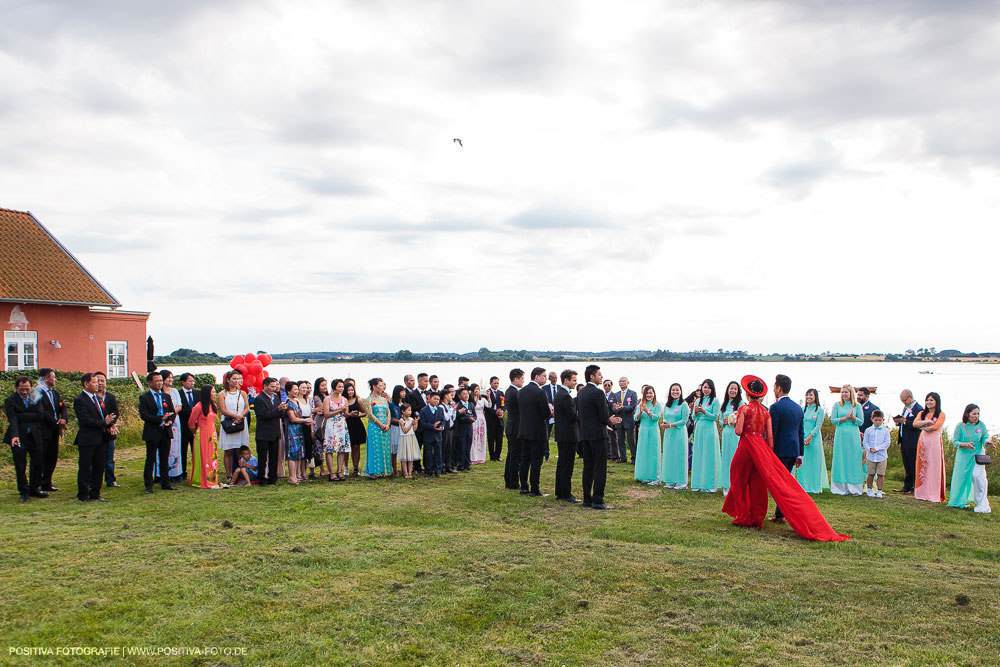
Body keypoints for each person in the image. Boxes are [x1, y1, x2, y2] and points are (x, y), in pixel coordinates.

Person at [722, 375, 849, 541]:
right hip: (781, 449)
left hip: (753, 448)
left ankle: (745, 515)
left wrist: (734, 421)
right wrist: (794, 453)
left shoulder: (753, 409)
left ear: (747, 393)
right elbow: (779, 436)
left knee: (741, 479)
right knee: (772, 484)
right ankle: (766, 515)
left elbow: (742, 432)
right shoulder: (788, 409)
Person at [577, 365, 621, 509]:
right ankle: (597, 499)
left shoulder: (581, 393)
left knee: (588, 466)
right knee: (600, 467)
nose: (601, 377)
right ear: (592, 376)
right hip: (597, 434)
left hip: (585, 434)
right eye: (599, 375)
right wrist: (611, 421)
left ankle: (586, 499)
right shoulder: (598, 393)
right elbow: (603, 416)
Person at [768, 374, 804, 523]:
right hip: (794, 449)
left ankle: (783, 514)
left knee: (779, 485)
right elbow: (800, 432)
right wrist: (800, 454)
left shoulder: (775, 407)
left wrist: (769, 450)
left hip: (780, 451)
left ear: (779, 389)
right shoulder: (797, 408)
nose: (773, 389)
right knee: (785, 483)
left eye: (774, 387)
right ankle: (780, 514)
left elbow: (773, 432)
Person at [4, 376, 46, 502]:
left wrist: (21, 416)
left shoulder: (36, 397)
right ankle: (23, 491)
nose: (24, 392)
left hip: (35, 436)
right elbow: (13, 419)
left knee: (38, 462)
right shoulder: (10, 400)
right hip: (19, 436)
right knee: (20, 465)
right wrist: (15, 435)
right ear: (16, 387)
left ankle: (34, 488)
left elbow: (40, 415)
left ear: (31, 387)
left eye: (27, 389)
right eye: (21, 389)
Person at [947, 404, 992, 514]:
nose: (976, 416)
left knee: (978, 477)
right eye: (974, 414)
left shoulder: (981, 425)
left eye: (978, 414)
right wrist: (964, 444)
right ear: (967, 414)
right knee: (961, 478)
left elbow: (985, 437)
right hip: (963, 455)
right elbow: (955, 441)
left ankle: (982, 504)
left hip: (978, 455)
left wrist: (987, 442)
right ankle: (958, 501)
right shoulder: (960, 426)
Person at [138, 371, 176, 494]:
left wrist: (169, 421)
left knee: (165, 458)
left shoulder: (166, 396)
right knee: (151, 458)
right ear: (150, 383)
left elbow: (172, 412)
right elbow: (144, 415)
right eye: (157, 381)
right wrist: (160, 419)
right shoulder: (145, 397)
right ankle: (149, 485)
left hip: (165, 431)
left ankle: (166, 483)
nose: (159, 383)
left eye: (160, 380)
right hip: (152, 431)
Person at [518, 367, 550, 496]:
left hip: (524, 429)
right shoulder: (540, 392)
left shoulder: (521, 391)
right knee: (536, 460)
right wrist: (549, 409)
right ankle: (535, 489)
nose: (545, 379)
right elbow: (546, 413)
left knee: (525, 459)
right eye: (544, 376)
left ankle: (524, 487)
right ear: (536, 377)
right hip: (537, 431)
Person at [35, 368, 67, 493]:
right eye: (53, 377)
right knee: (41, 458)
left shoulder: (55, 393)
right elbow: (41, 413)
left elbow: (62, 407)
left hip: (54, 431)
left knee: (52, 458)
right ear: (47, 378)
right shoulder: (37, 393)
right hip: (43, 431)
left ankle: (47, 483)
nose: (55, 380)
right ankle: (36, 485)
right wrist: (56, 423)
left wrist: (63, 419)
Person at [830, 385, 865, 496]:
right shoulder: (837, 405)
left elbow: (861, 422)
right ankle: (839, 487)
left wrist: (853, 418)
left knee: (853, 459)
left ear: (851, 393)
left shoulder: (857, 406)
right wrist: (845, 418)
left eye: (846, 392)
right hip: (841, 434)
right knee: (840, 458)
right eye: (842, 392)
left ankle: (854, 487)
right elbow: (833, 420)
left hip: (853, 434)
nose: (844, 394)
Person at [553, 369, 581, 502]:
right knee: (567, 465)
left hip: (562, 434)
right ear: (566, 380)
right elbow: (572, 416)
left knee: (562, 464)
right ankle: (565, 493)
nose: (576, 383)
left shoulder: (560, 393)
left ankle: (560, 491)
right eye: (574, 380)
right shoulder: (565, 396)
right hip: (568, 435)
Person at [795, 388, 829, 494]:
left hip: (814, 440)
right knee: (803, 463)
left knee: (814, 463)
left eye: (811, 395)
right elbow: (799, 424)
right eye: (807, 395)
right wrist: (802, 438)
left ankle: (814, 486)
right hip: (802, 438)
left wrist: (809, 437)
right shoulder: (802, 409)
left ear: (815, 397)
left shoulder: (819, 410)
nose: (808, 397)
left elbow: (817, 426)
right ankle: (803, 485)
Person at [913, 392, 946, 503]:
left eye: (931, 400)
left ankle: (933, 493)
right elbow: (915, 424)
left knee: (934, 467)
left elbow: (935, 427)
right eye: (927, 400)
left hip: (935, 442)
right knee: (922, 466)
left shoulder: (941, 414)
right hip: (923, 441)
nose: (929, 402)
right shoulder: (922, 413)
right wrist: (927, 422)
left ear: (937, 401)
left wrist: (924, 426)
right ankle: (921, 492)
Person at [187, 384, 221, 489]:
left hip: (212, 434)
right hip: (202, 434)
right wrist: (196, 432)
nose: (214, 394)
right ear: (207, 393)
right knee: (203, 457)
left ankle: (213, 479)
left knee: (212, 457)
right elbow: (191, 423)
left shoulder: (213, 406)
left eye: (215, 392)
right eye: (213, 392)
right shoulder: (198, 407)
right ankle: (202, 480)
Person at [217, 370, 249, 479]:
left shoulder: (242, 393)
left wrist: (240, 416)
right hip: (229, 422)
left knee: (240, 449)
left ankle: (241, 472)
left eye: (238, 379)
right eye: (234, 379)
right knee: (229, 450)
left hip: (240, 422)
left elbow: (246, 408)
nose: (236, 381)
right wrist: (235, 416)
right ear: (228, 380)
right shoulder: (222, 394)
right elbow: (223, 409)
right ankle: (229, 474)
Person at [691, 379, 721, 493]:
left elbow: (714, 417)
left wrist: (703, 411)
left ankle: (710, 484)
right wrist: (695, 412)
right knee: (699, 454)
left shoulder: (715, 401)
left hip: (709, 429)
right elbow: (693, 418)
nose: (706, 389)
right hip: (699, 428)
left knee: (709, 455)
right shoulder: (699, 400)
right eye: (704, 387)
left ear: (712, 389)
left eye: (708, 387)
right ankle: (698, 483)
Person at [154, 369, 184, 483]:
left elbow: (179, 405)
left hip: (175, 420)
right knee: (161, 448)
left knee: (175, 447)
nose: (171, 379)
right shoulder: (159, 393)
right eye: (168, 378)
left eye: (172, 377)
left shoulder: (175, 391)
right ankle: (159, 473)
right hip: (162, 420)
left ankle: (175, 473)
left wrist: (172, 414)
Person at [253, 377, 284, 486]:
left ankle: (273, 478)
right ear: (265, 386)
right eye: (271, 386)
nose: (274, 388)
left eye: (275, 386)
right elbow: (263, 415)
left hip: (275, 431)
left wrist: (282, 410)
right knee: (263, 457)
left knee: (274, 456)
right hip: (263, 432)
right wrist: (277, 410)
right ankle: (262, 478)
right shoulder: (259, 399)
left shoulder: (276, 397)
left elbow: (279, 414)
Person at [658, 383, 690, 489]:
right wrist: (665, 423)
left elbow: (684, 421)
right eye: (673, 390)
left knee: (679, 456)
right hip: (669, 433)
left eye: (677, 390)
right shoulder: (667, 405)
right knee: (669, 456)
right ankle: (670, 480)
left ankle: (681, 482)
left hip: (679, 433)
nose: (675, 392)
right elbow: (665, 417)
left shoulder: (684, 404)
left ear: (681, 392)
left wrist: (671, 425)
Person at [892, 390, 923, 494]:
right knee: (907, 464)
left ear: (910, 397)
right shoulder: (906, 407)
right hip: (904, 440)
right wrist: (899, 422)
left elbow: (917, 425)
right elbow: (904, 420)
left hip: (913, 440)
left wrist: (905, 421)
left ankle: (914, 487)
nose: (903, 402)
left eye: (904, 400)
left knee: (913, 464)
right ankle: (907, 486)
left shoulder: (919, 409)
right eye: (902, 401)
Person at [94, 372, 121, 489]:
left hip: (110, 431)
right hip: (96, 431)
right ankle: (92, 481)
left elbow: (115, 412)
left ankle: (110, 480)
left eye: (102, 381)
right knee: (94, 459)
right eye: (97, 380)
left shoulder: (110, 397)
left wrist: (112, 425)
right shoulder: (91, 397)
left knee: (109, 458)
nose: (100, 383)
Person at [322, 379, 351, 481]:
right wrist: (339, 410)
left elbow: (346, 414)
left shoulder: (344, 399)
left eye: (342, 387)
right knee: (330, 449)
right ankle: (332, 473)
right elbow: (326, 414)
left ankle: (339, 471)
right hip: (331, 425)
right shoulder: (327, 399)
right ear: (334, 387)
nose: (341, 389)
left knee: (342, 449)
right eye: (339, 387)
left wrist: (350, 414)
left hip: (342, 425)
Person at [633, 385, 663, 484]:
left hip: (653, 431)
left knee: (653, 453)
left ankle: (655, 477)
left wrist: (647, 411)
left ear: (654, 394)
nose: (649, 395)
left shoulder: (657, 405)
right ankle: (644, 475)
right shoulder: (640, 405)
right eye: (647, 393)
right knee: (644, 453)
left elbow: (656, 418)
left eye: (651, 393)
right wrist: (641, 412)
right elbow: (635, 418)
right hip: (643, 431)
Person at [363, 378, 392, 478]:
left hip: (385, 427)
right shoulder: (369, 400)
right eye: (380, 385)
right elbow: (370, 415)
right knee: (374, 447)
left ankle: (385, 470)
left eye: (383, 385)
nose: (382, 387)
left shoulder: (384, 399)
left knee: (384, 447)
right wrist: (380, 424)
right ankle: (373, 471)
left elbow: (388, 413)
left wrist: (387, 424)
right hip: (375, 427)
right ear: (374, 386)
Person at [719, 381, 744, 495]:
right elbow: (720, 421)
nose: (733, 391)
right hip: (726, 433)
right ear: (727, 390)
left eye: (735, 389)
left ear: (738, 391)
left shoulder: (740, 403)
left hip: (735, 434)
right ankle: (726, 485)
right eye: (731, 388)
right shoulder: (724, 404)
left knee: (735, 459)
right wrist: (724, 421)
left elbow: (740, 418)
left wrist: (730, 421)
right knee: (726, 458)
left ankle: (735, 485)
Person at [503, 369, 524, 490]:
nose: (523, 382)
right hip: (515, 426)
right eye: (522, 379)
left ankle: (509, 480)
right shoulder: (514, 392)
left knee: (511, 455)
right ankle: (513, 482)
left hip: (512, 426)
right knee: (515, 456)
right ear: (515, 379)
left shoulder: (510, 391)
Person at [283, 381, 308, 485]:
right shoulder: (288, 403)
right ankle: (292, 476)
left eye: (298, 389)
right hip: (291, 429)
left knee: (299, 452)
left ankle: (297, 474)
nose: (297, 391)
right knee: (292, 453)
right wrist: (305, 420)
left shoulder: (296, 402)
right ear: (288, 391)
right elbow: (292, 418)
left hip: (299, 429)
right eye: (295, 389)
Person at [862, 410, 891, 498]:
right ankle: (869, 489)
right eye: (876, 420)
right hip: (871, 456)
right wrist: (870, 449)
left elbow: (887, 443)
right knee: (870, 473)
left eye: (879, 420)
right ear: (872, 419)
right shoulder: (868, 430)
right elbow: (865, 442)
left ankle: (879, 490)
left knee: (880, 474)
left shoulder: (885, 431)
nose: (878, 422)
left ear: (883, 420)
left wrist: (877, 448)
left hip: (881, 456)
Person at [406, 373, 429, 473]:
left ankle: (427, 465)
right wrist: (424, 407)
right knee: (417, 445)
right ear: (419, 381)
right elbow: (413, 409)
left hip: (427, 423)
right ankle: (416, 466)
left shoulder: (428, 393)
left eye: (427, 381)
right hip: (418, 424)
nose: (426, 383)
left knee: (427, 446)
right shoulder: (413, 395)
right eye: (425, 381)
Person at [612, 377, 638, 464]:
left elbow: (633, 406)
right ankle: (623, 457)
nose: (621, 383)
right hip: (619, 420)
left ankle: (634, 458)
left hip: (629, 419)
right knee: (620, 440)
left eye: (623, 381)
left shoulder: (633, 393)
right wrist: (616, 408)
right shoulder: (616, 394)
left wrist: (623, 407)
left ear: (628, 382)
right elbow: (613, 408)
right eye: (620, 381)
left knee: (631, 440)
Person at [177, 372, 198, 481]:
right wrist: (192, 412)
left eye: (193, 381)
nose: (192, 383)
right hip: (183, 427)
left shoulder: (197, 393)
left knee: (196, 451)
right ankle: (182, 472)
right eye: (189, 381)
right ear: (183, 382)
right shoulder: (178, 393)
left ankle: (197, 471)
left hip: (196, 427)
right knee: (183, 451)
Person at [419, 391, 445, 477]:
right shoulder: (423, 410)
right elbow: (422, 423)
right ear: (429, 399)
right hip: (428, 435)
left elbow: (443, 420)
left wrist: (441, 427)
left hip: (438, 435)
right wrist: (432, 426)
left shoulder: (440, 409)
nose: (436, 401)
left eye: (438, 399)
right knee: (428, 453)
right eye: (434, 399)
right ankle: (428, 470)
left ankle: (437, 469)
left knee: (438, 452)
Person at [344, 383, 366, 477]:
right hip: (346, 424)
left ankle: (356, 468)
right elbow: (344, 414)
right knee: (345, 448)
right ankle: (345, 467)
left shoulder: (358, 400)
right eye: (348, 390)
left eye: (352, 390)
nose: (350, 392)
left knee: (356, 447)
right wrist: (349, 415)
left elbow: (365, 413)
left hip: (356, 424)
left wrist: (357, 415)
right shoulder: (343, 400)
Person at [453, 386, 476, 472]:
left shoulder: (471, 404)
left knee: (468, 447)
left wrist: (472, 419)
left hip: (469, 428)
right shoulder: (458, 405)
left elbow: (474, 415)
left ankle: (467, 463)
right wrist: (466, 418)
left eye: (467, 393)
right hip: (461, 428)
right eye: (464, 394)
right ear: (459, 396)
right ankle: (460, 464)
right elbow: (456, 416)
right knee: (461, 447)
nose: (466, 395)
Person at [311, 378, 329, 479]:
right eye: (322, 385)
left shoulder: (327, 396)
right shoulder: (317, 397)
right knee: (319, 446)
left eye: (325, 385)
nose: (324, 387)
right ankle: (322, 469)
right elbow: (323, 407)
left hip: (327, 421)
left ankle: (326, 468)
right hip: (320, 422)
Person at [484, 376, 505, 462]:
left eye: (497, 383)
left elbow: (504, 404)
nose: (496, 385)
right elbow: (486, 407)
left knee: (499, 438)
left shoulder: (501, 393)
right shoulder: (487, 393)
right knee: (491, 438)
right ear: (490, 383)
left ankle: (498, 455)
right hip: (491, 417)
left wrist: (502, 411)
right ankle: (492, 456)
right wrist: (494, 412)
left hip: (499, 418)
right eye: (494, 383)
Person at [397, 404, 420, 479]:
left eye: (410, 410)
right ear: (403, 411)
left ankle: (410, 472)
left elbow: (414, 429)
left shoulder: (411, 419)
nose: (410, 412)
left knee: (410, 457)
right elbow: (405, 431)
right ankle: (405, 473)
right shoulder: (401, 420)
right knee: (404, 457)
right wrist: (411, 424)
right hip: (404, 438)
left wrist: (416, 423)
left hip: (411, 437)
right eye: (408, 410)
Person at [389, 385, 406, 478]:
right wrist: (399, 421)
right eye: (401, 391)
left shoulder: (404, 404)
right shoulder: (392, 405)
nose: (403, 393)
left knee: (403, 449)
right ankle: (395, 470)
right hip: (395, 428)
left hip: (403, 428)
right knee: (394, 450)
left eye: (404, 391)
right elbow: (391, 418)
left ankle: (404, 470)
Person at [440, 385, 457, 474]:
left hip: (450, 428)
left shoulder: (449, 405)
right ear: (446, 396)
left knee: (449, 448)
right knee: (443, 447)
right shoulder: (441, 406)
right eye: (450, 395)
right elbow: (446, 417)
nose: (451, 396)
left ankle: (448, 466)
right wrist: (451, 409)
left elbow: (453, 418)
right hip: (444, 429)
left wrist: (453, 410)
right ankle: (441, 466)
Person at [470, 383, 488, 465]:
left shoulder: (483, 399)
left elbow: (489, 405)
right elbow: (474, 406)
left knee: (481, 437)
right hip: (475, 418)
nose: (477, 390)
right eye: (476, 389)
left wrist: (489, 396)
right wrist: (476, 398)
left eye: (479, 389)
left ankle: (481, 457)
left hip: (481, 418)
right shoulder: (471, 399)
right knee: (474, 437)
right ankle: (473, 457)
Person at [544, 371, 558, 460]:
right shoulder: (544, 388)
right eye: (552, 377)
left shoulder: (560, 388)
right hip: (549, 415)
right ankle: (546, 455)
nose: (554, 379)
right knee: (546, 435)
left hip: (558, 415)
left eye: (555, 377)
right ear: (549, 378)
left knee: (560, 435)